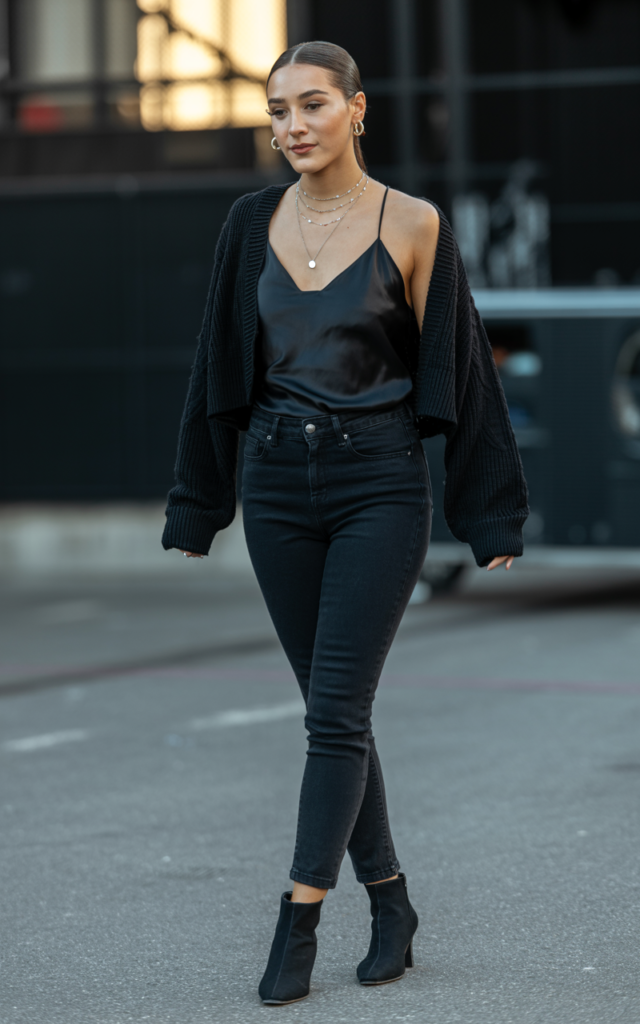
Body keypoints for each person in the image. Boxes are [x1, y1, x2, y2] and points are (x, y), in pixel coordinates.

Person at [162, 41, 528, 1006]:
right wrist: (203, 502)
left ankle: (299, 917)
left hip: (378, 485)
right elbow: (213, 367)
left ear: (357, 110)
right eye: (278, 110)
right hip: (278, 485)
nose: (293, 126)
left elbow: (465, 370)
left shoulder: (412, 224)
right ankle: (394, 902)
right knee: (340, 714)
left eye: (313, 104)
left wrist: (489, 508)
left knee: (332, 715)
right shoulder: (249, 225)